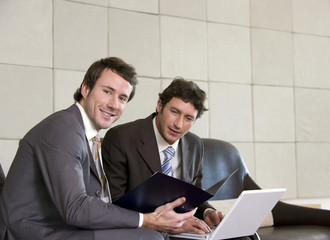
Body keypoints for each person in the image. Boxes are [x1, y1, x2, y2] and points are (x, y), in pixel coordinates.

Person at [0, 57, 196, 240]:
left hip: (62, 226)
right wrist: (147, 221)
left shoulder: (87, 134)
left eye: (122, 98)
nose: (113, 105)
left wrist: (159, 220)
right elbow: (76, 208)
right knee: (149, 237)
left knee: (155, 233)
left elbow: (96, 202)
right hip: (32, 231)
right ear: (85, 89)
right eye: (107, 91)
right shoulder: (63, 127)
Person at [102, 77, 224, 235]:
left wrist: (208, 212)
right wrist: (166, 225)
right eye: (174, 112)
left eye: (188, 118)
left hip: (183, 232)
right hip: (140, 232)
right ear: (160, 105)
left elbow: (194, 195)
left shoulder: (195, 144)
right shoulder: (121, 138)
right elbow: (113, 204)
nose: (178, 125)